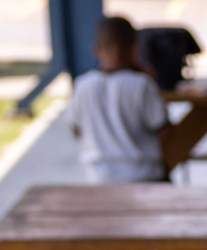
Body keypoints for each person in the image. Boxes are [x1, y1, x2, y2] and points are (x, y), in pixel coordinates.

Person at [68, 16, 171, 184]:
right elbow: (163, 130)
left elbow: (77, 130)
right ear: (135, 49)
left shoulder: (82, 85)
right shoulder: (142, 84)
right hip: (143, 176)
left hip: (98, 178)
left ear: (96, 49)